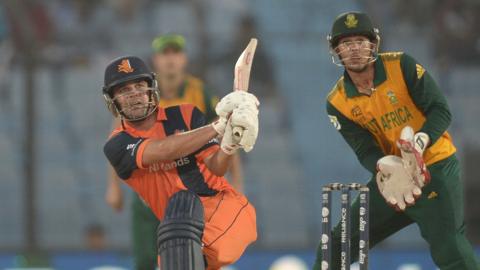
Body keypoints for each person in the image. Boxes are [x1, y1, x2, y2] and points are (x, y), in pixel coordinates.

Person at [313, 11, 479, 270]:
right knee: (337, 246)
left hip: (435, 167)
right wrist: (384, 166)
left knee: (450, 248)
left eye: (360, 41)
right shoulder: (337, 102)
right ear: (336, 50)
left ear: (373, 44)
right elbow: (364, 148)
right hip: (392, 178)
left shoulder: (401, 65)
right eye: (346, 43)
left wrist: (420, 143)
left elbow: (440, 110)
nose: (354, 49)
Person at [102, 55, 258, 270]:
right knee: (178, 227)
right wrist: (220, 126)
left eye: (139, 85)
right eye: (124, 90)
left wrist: (230, 145)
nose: (134, 94)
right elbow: (164, 149)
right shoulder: (116, 145)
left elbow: (217, 167)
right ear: (113, 100)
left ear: (151, 88)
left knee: (181, 228)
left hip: (226, 212)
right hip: (179, 233)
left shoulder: (186, 114)